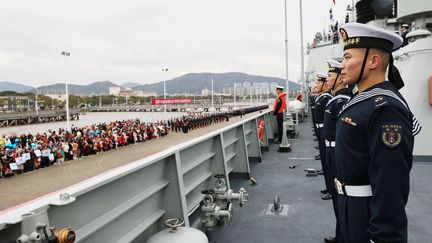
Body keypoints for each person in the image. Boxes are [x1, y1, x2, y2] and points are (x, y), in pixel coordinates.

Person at [335, 22, 421, 243]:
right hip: (351, 208)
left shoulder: (386, 108)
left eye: (347, 57)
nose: (342, 65)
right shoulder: (363, 101)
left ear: (373, 61)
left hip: (367, 214)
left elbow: (390, 184)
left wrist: (384, 237)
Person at [322, 59, 352, 243]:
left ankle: (343, 235)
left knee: (340, 197)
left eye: (330, 76)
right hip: (330, 149)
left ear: (340, 79)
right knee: (337, 197)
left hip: (337, 152)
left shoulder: (342, 101)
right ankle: (340, 234)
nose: (326, 81)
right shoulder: (336, 99)